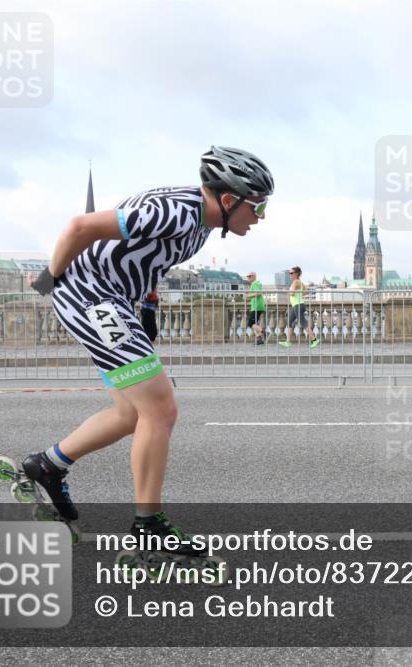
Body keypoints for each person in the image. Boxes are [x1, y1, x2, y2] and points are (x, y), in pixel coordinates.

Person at [24, 146, 273, 550]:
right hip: (93, 298)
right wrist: (49, 277)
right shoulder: (177, 213)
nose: (260, 217)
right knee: (160, 409)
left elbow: (150, 257)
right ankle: (149, 527)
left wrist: (150, 305)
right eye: (258, 207)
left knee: (131, 414)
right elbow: (79, 226)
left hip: (113, 300)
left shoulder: (202, 222)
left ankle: (49, 465)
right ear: (229, 200)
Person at [278, 266, 319, 348]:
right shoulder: (299, 282)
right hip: (297, 305)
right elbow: (305, 291)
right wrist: (299, 293)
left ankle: (314, 339)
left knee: (303, 322)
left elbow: (292, 293)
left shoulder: (296, 282)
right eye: (289, 273)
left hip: (298, 305)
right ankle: (288, 342)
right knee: (289, 321)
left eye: (291, 273)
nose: (290, 274)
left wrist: (285, 291)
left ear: (296, 273)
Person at [245, 271, 266, 345]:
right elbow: (256, 294)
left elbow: (259, 293)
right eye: (247, 276)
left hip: (256, 306)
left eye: (249, 276)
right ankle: (259, 339)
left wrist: (248, 295)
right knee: (253, 324)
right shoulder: (256, 283)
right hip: (257, 306)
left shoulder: (254, 283)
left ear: (254, 276)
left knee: (250, 324)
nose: (248, 278)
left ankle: (263, 332)